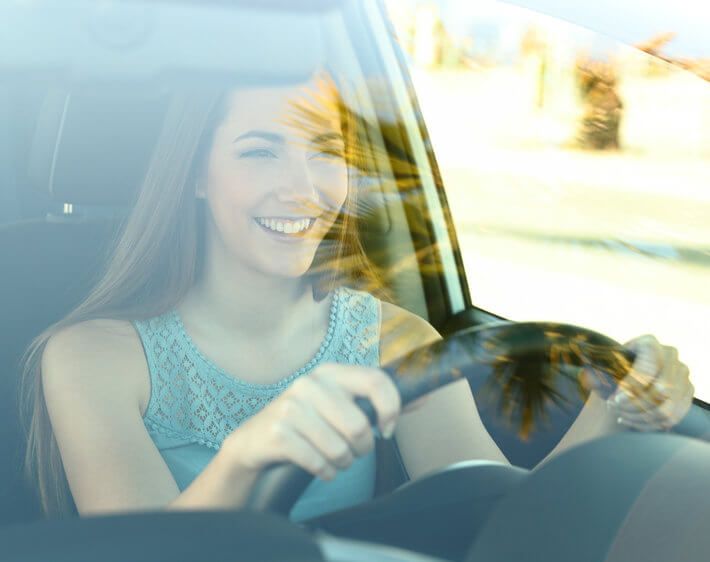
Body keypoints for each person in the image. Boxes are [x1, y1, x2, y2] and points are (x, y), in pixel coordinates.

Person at [20, 73, 693, 523]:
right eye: (261, 153)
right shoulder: (90, 356)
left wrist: (617, 405)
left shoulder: (394, 339)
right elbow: (132, 558)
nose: (304, 187)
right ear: (197, 174)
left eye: (324, 150)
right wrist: (247, 458)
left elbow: (501, 521)